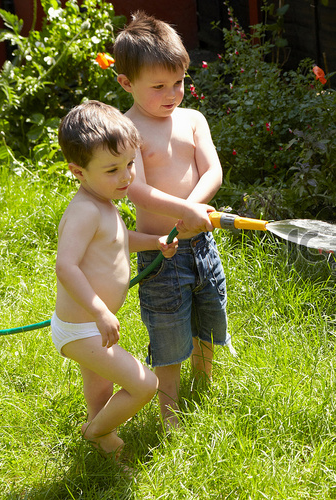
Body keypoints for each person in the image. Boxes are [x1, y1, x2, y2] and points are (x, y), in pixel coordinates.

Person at [113, 12, 229, 430]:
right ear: (126, 83)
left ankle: (206, 386)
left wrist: (192, 211)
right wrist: (184, 216)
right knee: (169, 331)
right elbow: (137, 190)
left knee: (209, 315)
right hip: (162, 250)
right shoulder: (128, 130)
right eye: (158, 87)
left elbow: (213, 171)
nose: (172, 94)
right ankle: (171, 415)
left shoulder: (194, 120)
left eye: (178, 82)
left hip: (201, 245)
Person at [53, 100, 178, 461]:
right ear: (78, 172)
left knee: (100, 392)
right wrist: (100, 311)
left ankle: (104, 449)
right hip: (83, 328)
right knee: (144, 384)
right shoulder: (84, 212)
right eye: (112, 169)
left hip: (91, 327)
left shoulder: (105, 203)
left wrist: (154, 243)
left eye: (130, 164)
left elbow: (121, 240)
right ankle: (95, 433)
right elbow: (66, 267)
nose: (126, 177)